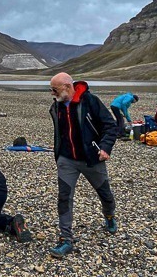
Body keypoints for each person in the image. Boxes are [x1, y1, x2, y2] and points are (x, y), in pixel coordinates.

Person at [48, 73, 118, 258]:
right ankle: (66, 239)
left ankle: (109, 216)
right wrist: (59, 152)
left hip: (91, 159)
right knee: (64, 197)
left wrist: (105, 148)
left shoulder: (90, 101)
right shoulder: (57, 105)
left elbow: (110, 125)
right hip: (66, 160)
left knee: (105, 194)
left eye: (54, 89)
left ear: (67, 87)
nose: (51, 93)